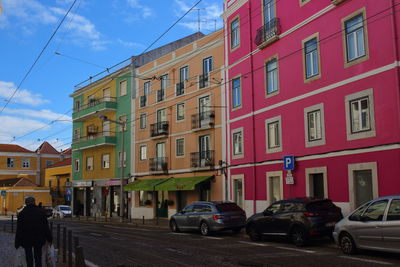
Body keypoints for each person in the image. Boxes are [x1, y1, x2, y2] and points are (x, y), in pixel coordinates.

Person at [15, 196, 53, 267]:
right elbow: (46, 227)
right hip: (38, 239)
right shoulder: (41, 212)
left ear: (26, 203)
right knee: (38, 257)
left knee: (29, 258)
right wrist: (49, 239)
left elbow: (19, 229)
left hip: (26, 239)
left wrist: (17, 242)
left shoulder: (22, 214)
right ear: (34, 202)